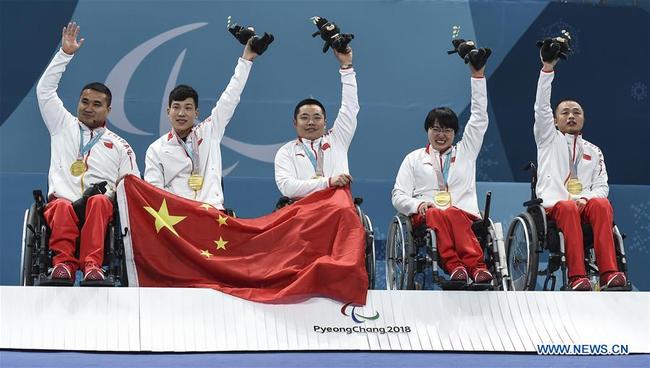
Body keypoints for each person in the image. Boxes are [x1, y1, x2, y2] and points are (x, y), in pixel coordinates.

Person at [36, 22, 140, 282]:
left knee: (98, 202)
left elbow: (132, 186)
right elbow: (44, 91)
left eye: (97, 104)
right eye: (85, 102)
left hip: (100, 207)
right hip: (63, 202)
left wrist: (112, 193)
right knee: (60, 206)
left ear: (108, 110)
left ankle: (93, 264)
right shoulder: (62, 125)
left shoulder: (120, 146)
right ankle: (64, 265)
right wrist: (65, 55)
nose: (89, 108)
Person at [391, 47, 493, 285]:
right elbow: (398, 195)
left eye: (447, 129)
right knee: (438, 211)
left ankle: (477, 268)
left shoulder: (466, 152)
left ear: (455, 134)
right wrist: (419, 204)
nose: (441, 134)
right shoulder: (413, 158)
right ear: (427, 130)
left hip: (464, 215)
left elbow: (479, 118)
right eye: (435, 128)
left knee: (453, 212)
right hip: (427, 216)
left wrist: (477, 75)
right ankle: (457, 266)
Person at [533, 40, 626, 291]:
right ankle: (577, 276)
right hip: (556, 207)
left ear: (584, 118)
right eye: (565, 113)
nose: (571, 116)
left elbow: (601, 185)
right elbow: (541, 107)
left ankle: (609, 272)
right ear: (554, 120)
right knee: (567, 207)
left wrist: (586, 198)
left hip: (584, 206)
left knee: (602, 203)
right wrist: (547, 69)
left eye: (576, 112)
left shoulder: (594, 151)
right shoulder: (548, 139)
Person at [144, 38, 262, 209]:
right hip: (176, 218)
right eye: (176, 107)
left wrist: (246, 60)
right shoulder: (156, 149)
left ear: (196, 113)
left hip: (212, 213)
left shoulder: (209, 131)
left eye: (188, 108)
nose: (181, 113)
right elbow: (153, 192)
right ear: (168, 112)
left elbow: (230, 98)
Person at [274, 47, 359, 200]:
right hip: (303, 213)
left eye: (317, 117)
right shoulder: (286, 152)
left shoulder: (338, 139)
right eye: (305, 117)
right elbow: (287, 188)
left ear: (325, 122)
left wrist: (346, 66)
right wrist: (328, 182)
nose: (311, 122)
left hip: (337, 210)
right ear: (295, 123)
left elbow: (350, 107)